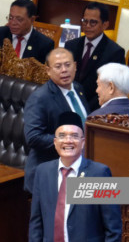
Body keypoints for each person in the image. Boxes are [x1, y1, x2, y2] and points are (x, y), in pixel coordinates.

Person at [28, 111, 122, 242]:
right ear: (55, 142)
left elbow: (113, 228)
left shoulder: (98, 173)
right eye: (62, 136)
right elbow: (36, 224)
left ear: (83, 142)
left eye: (74, 136)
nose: (68, 141)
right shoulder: (43, 172)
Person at [23, 48, 90, 193]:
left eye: (68, 65)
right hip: (50, 173)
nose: (64, 70)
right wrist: (68, 142)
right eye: (58, 66)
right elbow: (33, 137)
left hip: (79, 169)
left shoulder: (78, 89)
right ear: (48, 70)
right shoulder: (40, 98)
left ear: (75, 66)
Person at [0, 0, 55, 89]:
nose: (12, 23)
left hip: (25, 96)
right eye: (11, 18)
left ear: (32, 20)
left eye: (19, 19)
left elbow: (43, 79)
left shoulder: (45, 44)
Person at [64, 2, 125, 111]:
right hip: (66, 104)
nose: (87, 26)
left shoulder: (115, 52)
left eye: (93, 22)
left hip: (95, 110)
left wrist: (84, 110)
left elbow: (113, 90)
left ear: (105, 25)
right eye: (85, 21)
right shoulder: (71, 45)